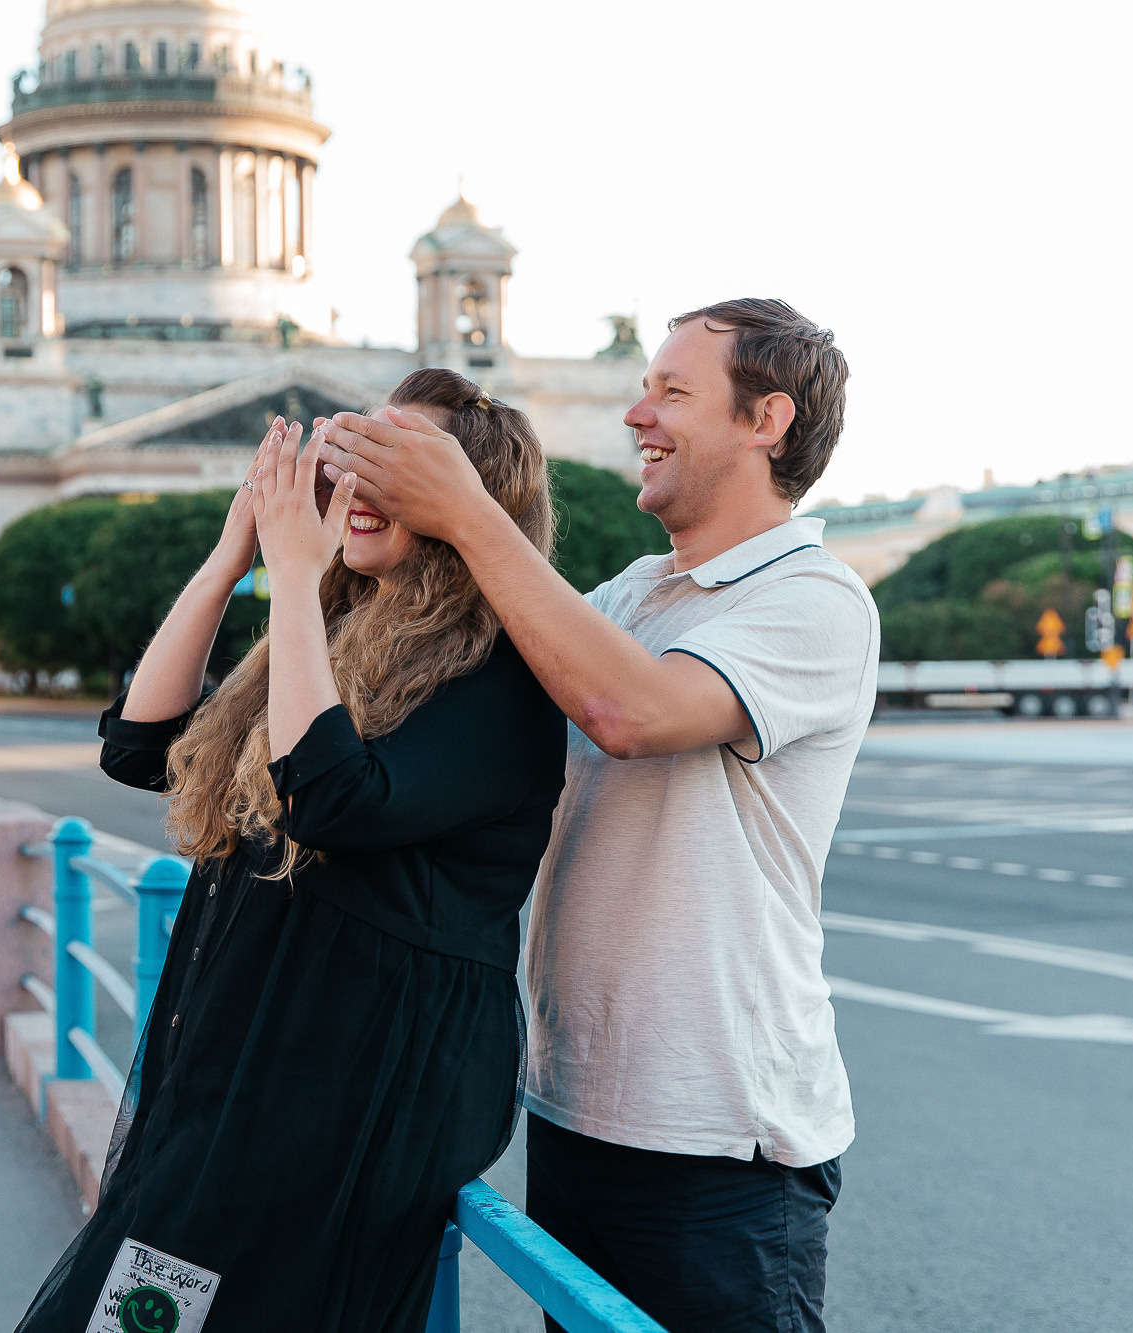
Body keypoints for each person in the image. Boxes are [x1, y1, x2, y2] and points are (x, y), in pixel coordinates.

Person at [315, 300, 873, 1333]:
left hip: (717, 1137)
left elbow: (629, 710)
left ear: (766, 421)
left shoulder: (813, 597)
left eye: (670, 391)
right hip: (577, 1109)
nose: (634, 413)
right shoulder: (625, 597)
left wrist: (469, 511)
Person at [14, 368, 568, 1333]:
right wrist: (237, 554)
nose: (351, 482)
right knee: (141, 1309)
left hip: (352, 1087)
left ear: (466, 493)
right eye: (347, 455)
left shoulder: (499, 675)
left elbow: (330, 797)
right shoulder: (342, 634)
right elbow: (141, 745)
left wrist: (299, 581)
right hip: (246, 1066)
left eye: (387, 462)